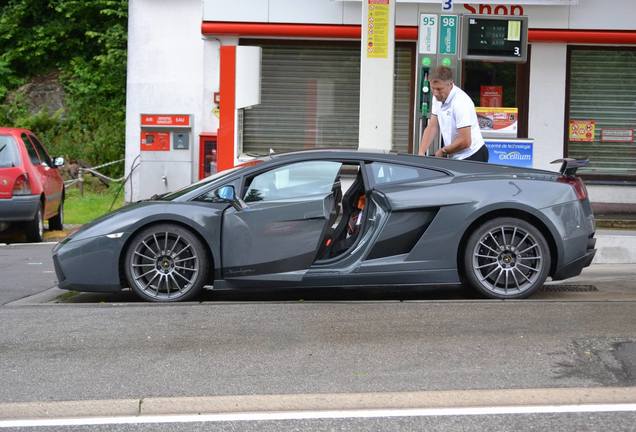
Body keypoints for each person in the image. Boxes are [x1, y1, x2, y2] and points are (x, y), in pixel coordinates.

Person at [418, 66, 489, 162]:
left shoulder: (460, 102)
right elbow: (432, 126)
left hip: (473, 154)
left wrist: (443, 151)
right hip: (456, 155)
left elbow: (465, 141)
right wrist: (421, 153)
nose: (435, 93)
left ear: (450, 84)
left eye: (439, 89)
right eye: (433, 88)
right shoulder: (437, 97)